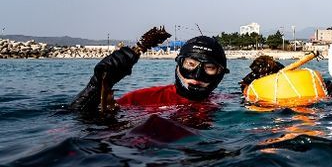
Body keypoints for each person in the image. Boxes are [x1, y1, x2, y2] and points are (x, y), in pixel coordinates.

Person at [71, 36, 229, 113]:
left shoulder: (228, 101)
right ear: (178, 64)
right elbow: (75, 122)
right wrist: (96, 85)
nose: (197, 75)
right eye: (190, 64)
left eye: (209, 67)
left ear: (220, 73)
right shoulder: (139, 100)